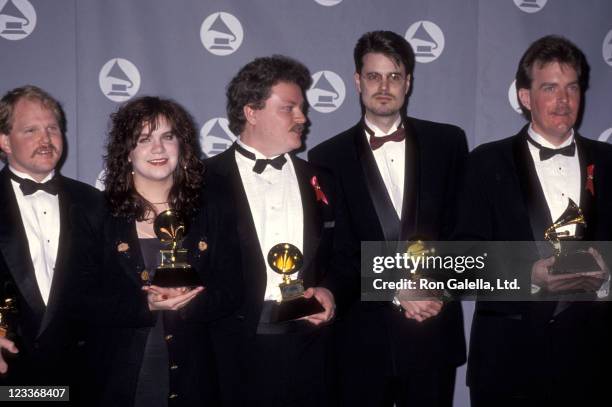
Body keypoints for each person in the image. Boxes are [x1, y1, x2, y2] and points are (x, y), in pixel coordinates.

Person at [309, 30, 468, 406]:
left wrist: (432, 286)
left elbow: (462, 230)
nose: (384, 86)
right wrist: (395, 287)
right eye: (373, 76)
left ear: (408, 83)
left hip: (432, 328)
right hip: (362, 340)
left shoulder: (448, 143)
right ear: (357, 81)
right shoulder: (326, 157)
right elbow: (337, 250)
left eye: (394, 76)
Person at [453, 35, 612, 406]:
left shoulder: (609, 162)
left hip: (594, 362)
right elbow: (463, 257)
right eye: (550, 88)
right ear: (525, 97)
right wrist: (528, 274)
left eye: (572, 87)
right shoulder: (485, 163)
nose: (563, 100)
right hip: (509, 362)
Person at [70, 96, 241, 406]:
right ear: (127, 152)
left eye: (168, 136)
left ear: (183, 145)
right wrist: (144, 304)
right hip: (119, 379)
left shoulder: (212, 209)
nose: (159, 148)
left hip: (197, 377)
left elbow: (233, 288)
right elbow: (79, 297)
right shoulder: (96, 214)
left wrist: (192, 301)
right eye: (144, 139)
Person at [204, 55, 337, 406]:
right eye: (289, 108)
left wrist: (329, 290)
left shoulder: (323, 179)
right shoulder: (201, 182)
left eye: (301, 108)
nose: (302, 118)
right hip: (232, 346)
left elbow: (346, 254)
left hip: (310, 341)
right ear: (251, 112)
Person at [0, 85, 100, 393]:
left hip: (84, 374)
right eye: (31, 130)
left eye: (52, 128)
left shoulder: (94, 203)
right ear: (4, 140)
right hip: (8, 373)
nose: (46, 139)